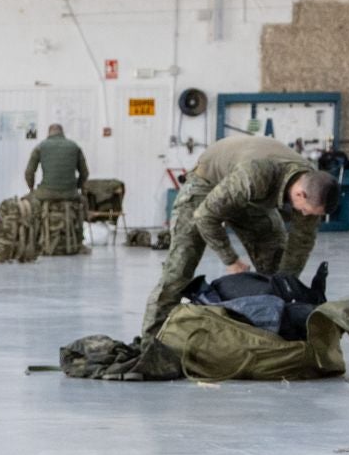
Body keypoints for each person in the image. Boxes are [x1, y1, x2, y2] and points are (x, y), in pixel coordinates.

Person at [142, 135, 338, 336]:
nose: (305, 215)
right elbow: (205, 216)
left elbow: (302, 242)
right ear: (300, 195)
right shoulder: (256, 175)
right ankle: (151, 341)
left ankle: (265, 333)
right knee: (179, 269)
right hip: (209, 183)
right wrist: (231, 260)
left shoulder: (313, 188)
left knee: (274, 266)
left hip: (253, 197)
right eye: (305, 210)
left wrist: (284, 284)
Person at [24, 123, 89, 202]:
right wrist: (77, 186)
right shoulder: (75, 146)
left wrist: (31, 188)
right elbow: (85, 173)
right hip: (71, 193)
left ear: (49, 133)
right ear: (62, 132)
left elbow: (29, 172)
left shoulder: (40, 147)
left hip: (46, 193)